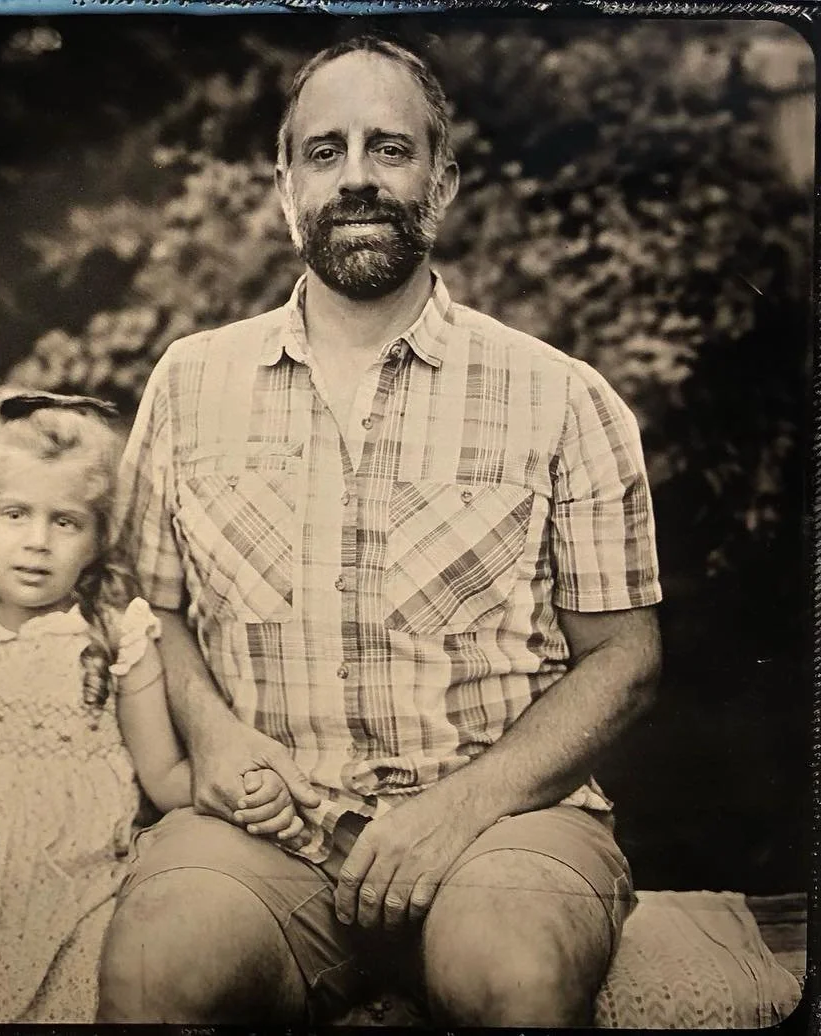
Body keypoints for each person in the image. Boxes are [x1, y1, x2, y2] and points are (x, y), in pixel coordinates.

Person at [101, 33, 663, 1027]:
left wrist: (457, 809)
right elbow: (154, 608)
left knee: (513, 977)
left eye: (388, 148)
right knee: (156, 973)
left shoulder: (563, 396)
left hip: (504, 830)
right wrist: (216, 733)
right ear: (285, 186)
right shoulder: (191, 384)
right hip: (268, 838)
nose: (356, 176)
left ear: (440, 180)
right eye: (326, 151)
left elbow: (625, 658)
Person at [0, 388, 302, 1022]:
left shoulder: (115, 639)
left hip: (87, 895)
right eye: (14, 514)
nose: (37, 542)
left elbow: (163, 776)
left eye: (65, 521)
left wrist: (239, 790)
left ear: (97, 537)